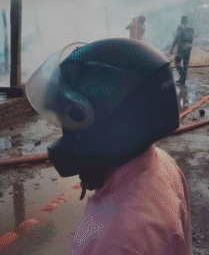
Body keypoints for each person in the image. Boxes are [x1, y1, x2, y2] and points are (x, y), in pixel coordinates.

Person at [25, 39, 191, 254]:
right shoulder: (159, 161)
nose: (67, 139)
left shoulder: (121, 239)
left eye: (71, 126)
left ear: (113, 124)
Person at [169, 15, 195, 85]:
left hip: (181, 47)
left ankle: (182, 75)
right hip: (188, 47)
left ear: (182, 20)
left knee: (177, 63)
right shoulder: (191, 28)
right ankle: (182, 79)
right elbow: (191, 40)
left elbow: (177, 38)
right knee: (186, 64)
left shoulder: (180, 27)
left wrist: (172, 47)